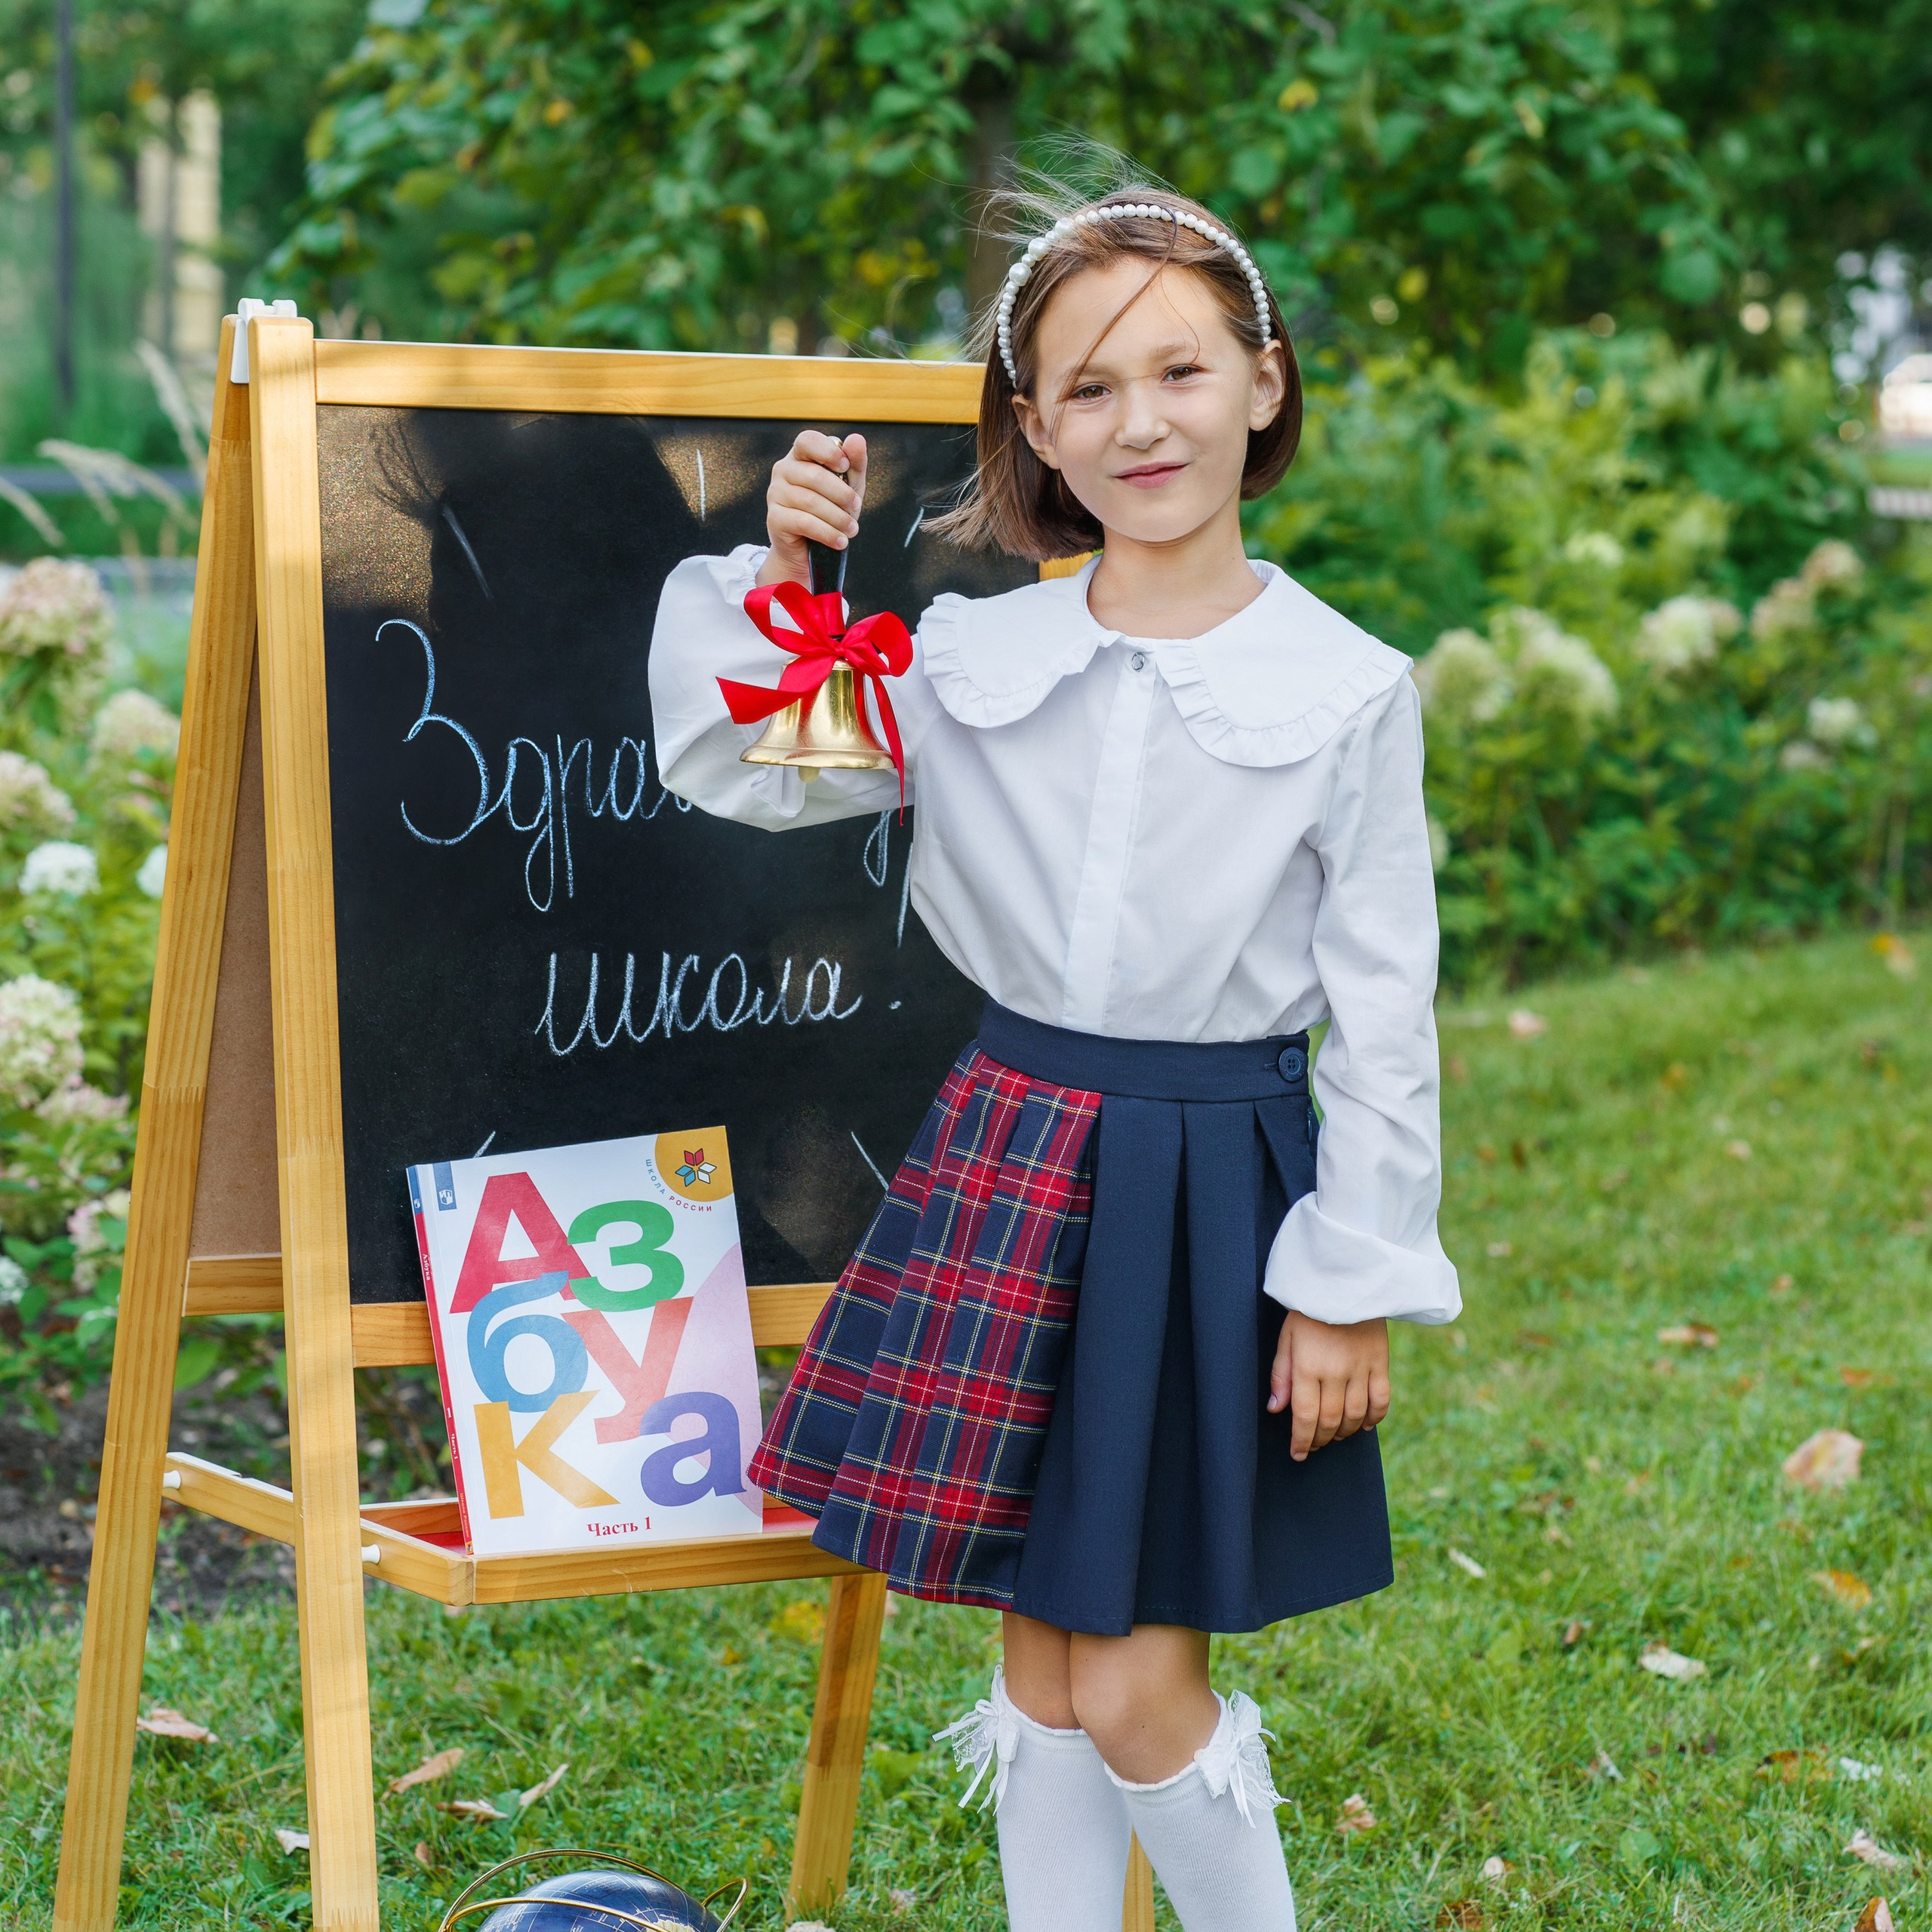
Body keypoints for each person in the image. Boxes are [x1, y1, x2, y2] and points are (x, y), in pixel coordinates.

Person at [648, 182, 1460, 1932]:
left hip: (1210, 1187)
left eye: (1178, 370)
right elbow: (750, 762)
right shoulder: (969, 657)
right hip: (1010, 1162)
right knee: (1037, 1667)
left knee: (1134, 1681)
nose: (1137, 421)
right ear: (1032, 425)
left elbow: (1384, 1013)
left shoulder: (1343, 688)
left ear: (1261, 380)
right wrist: (785, 574)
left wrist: (1345, 1281)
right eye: (1087, 387)